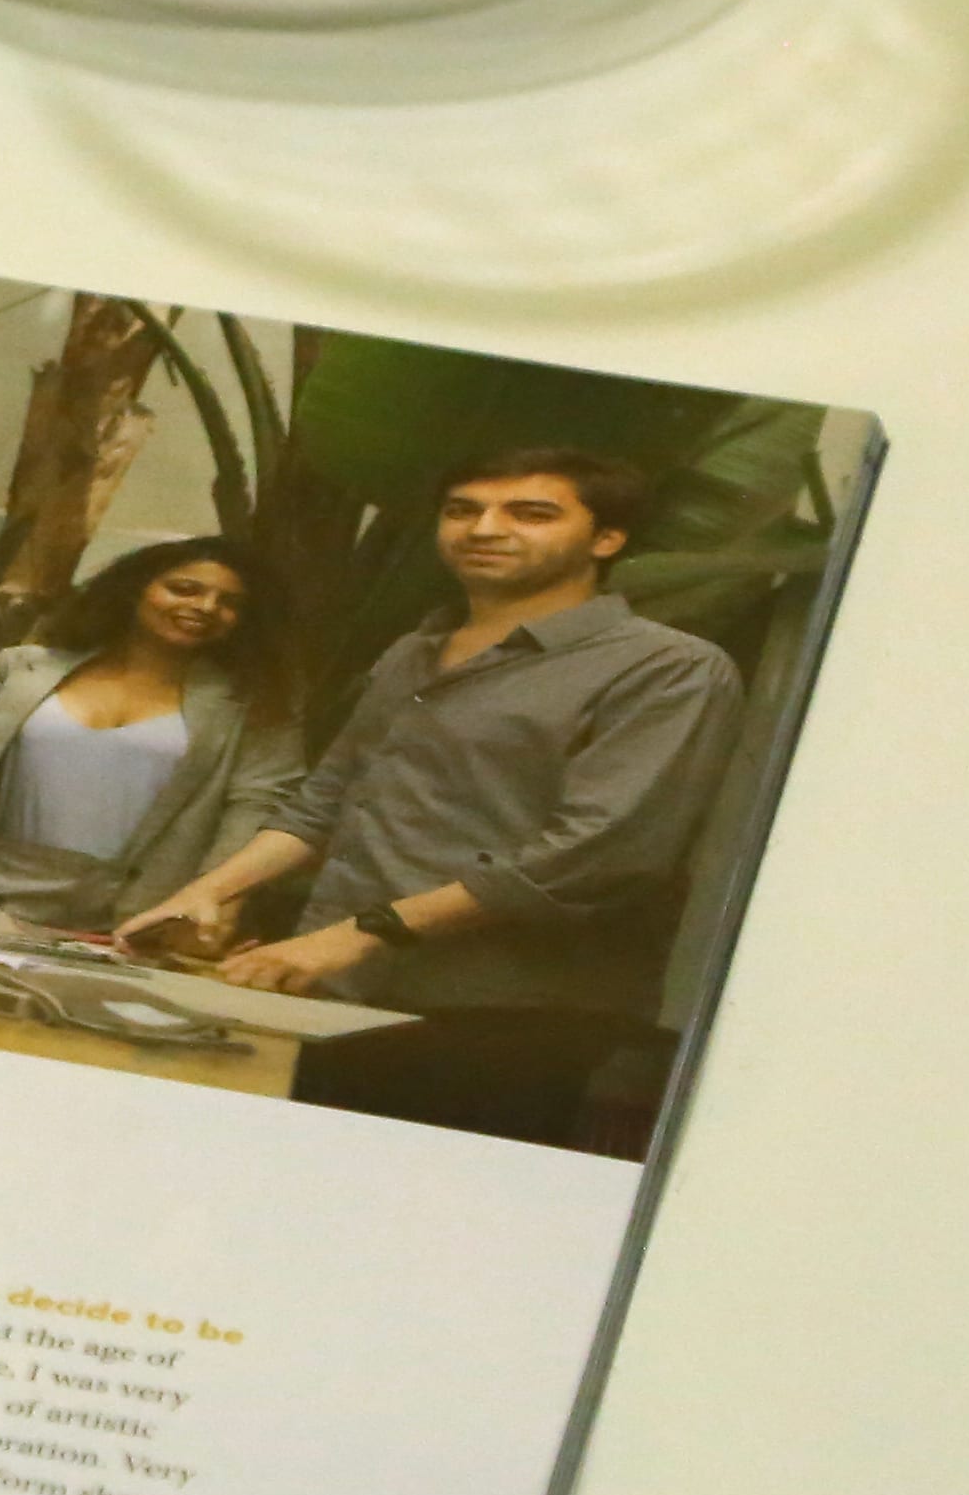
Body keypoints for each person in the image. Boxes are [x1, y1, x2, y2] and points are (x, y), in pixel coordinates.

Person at [118, 447, 747, 1147]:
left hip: (510, 1020)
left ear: (607, 538)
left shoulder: (668, 667)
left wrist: (358, 934)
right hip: (344, 996)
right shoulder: (413, 652)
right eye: (462, 510)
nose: (485, 528)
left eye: (531, 513)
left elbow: (593, 855)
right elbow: (327, 799)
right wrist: (206, 891)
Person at [0, 534, 306, 935]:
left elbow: (254, 809)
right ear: (134, 589)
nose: (206, 607)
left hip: (128, 924)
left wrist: (209, 905)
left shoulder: (254, 704)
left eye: (230, 603)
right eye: (184, 589)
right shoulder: (22, 668)